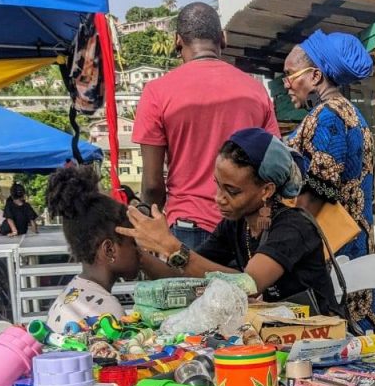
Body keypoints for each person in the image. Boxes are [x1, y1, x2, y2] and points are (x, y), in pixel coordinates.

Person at [117, 128, 342, 318]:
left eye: (232, 191)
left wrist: (172, 247)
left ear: (266, 190)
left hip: (320, 341)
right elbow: (185, 275)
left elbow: (249, 284)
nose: (219, 198)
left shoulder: (293, 227)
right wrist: (137, 252)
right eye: (218, 185)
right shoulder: (236, 225)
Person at [132, 2, 280, 250]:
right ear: (223, 38)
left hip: (189, 228)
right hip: (246, 227)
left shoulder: (157, 92)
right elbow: (275, 165)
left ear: (178, 41)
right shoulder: (256, 91)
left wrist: (147, 220)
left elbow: (153, 185)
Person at [283, 29, 375, 332]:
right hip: (354, 247)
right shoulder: (353, 114)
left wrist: (284, 243)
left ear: (315, 76)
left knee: (336, 335)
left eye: (289, 74)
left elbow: (319, 189)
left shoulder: (328, 116)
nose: (286, 83)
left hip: (332, 252)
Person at [44, 166, 139, 332]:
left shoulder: (71, 293)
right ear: (109, 249)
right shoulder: (108, 315)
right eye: (133, 243)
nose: (140, 251)